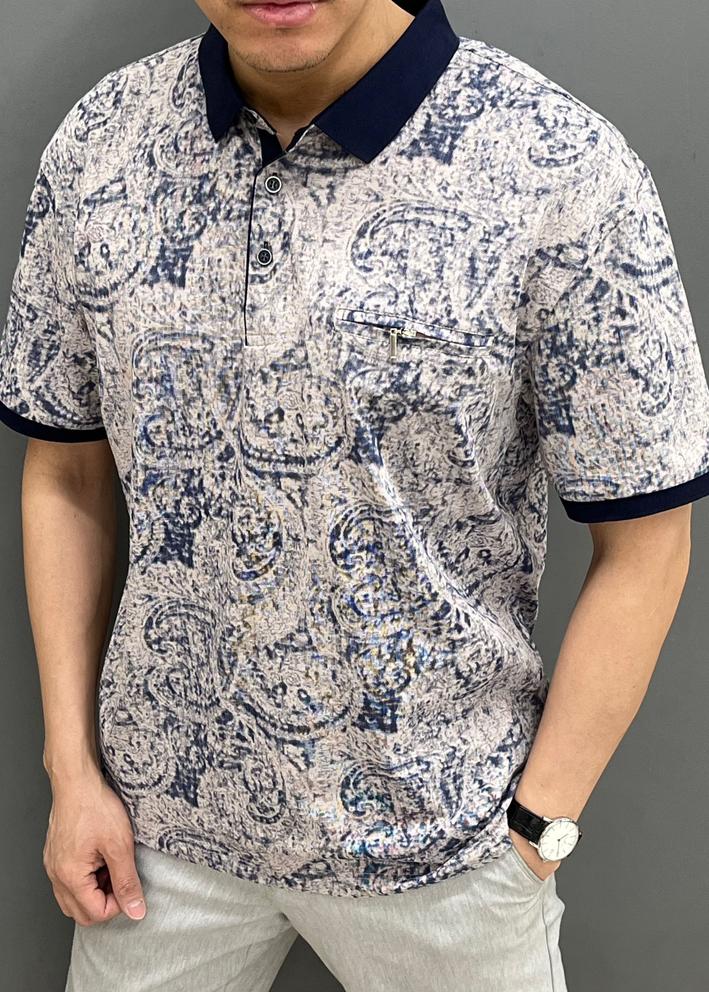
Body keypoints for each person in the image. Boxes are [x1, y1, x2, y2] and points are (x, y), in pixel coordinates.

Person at [1, 0, 708, 989]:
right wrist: (71, 770)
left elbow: (647, 539)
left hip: (446, 849)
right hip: (157, 833)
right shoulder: (99, 143)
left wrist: (535, 829)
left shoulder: (559, 166)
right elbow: (65, 469)